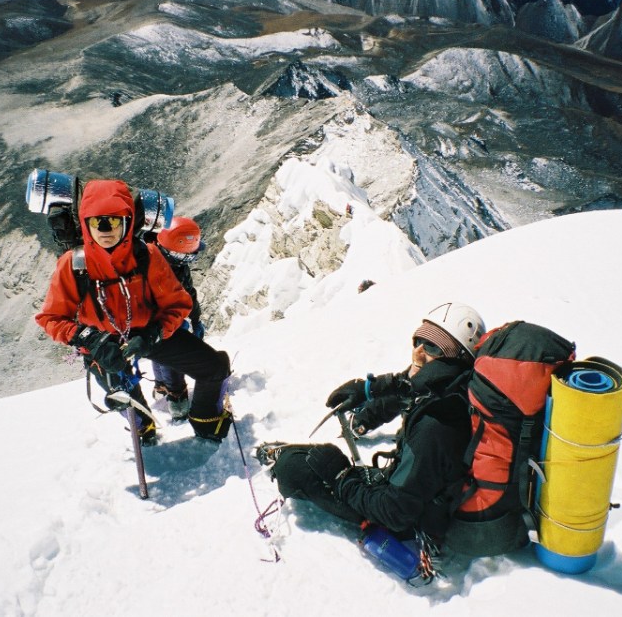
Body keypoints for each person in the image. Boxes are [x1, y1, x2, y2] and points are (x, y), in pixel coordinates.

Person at [256, 302, 485, 548]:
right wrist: (366, 401)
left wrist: (342, 477)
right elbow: (405, 387)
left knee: (296, 468)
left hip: (410, 515)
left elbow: (395, 512)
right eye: (418, 340)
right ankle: (288, 454)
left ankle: (281, 458)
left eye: (432, 346)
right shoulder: (449, 388)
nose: (417, 352)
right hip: (414, 488)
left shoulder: (437, 426)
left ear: (456, 359)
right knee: (315, 458)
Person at [36, 179, 232, 445]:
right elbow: (51, 318)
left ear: (128, 222)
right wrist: (88, 338)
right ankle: (145, 432)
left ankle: (206, 423)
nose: (105, 230)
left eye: (113, 222)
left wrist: (153, 334)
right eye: (97, 222)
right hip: (103, 344)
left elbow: (178, 304)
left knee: (215, 367)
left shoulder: (147, 256)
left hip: (147, 332)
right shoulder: (71, 264)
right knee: (126, 400)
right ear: (85, 223)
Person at [147, 216, 207, 420]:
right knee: (172, 352)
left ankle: (162, 387)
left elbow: (189, 292)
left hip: (163, 319)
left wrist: (196, 319)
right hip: (154, 320)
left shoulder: (176, 262)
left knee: (162, 353)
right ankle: (176, 397)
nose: (187, 261)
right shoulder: (148, 264)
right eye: (184, 257)